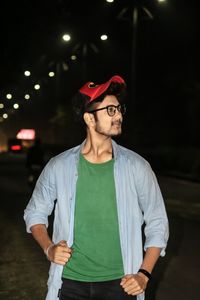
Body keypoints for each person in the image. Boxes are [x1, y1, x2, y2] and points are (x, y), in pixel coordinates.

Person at [24, 75, 169, 300]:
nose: (119, 115)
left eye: (119, 109)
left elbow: (157, 220)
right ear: (89, 119)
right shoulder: (59, 166)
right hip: (70, 283)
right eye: (110, 110)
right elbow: (35, 212)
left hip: (120, 283)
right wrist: (49, 248)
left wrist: (143, 274)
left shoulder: (137, 166)